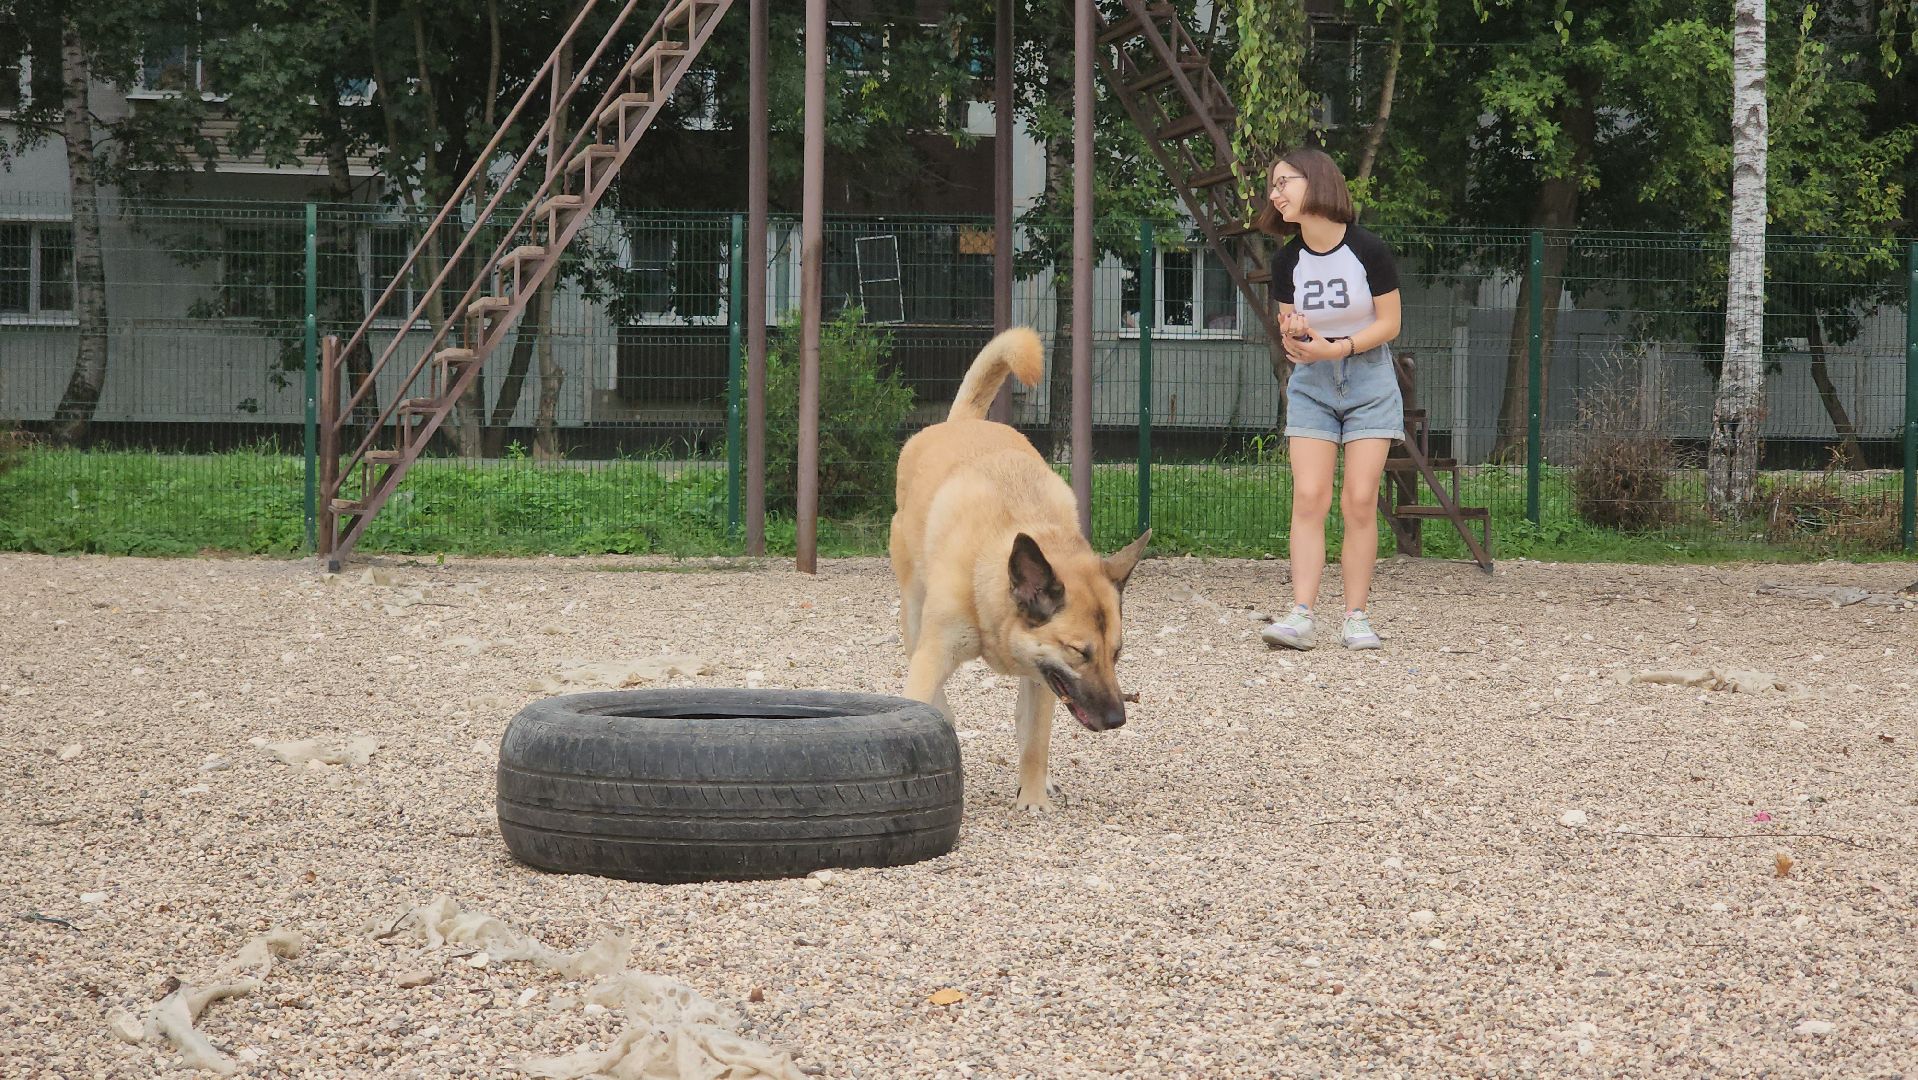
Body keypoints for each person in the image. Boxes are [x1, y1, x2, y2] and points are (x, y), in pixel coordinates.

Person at [1255, 148, 1403, 651]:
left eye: (1283, 183)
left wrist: (1336, 347)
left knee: (1360, 499)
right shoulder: (1286, 260)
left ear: (1316, 181)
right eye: (1273, 187)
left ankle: (1356, 616)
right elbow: (1288, 332)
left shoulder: (1369, 250)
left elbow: (1390, 324)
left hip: (1369, 380)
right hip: (1312, 385)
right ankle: (1301, 615)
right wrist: (1294, 334)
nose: (1275, 194)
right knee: (1309, 496)